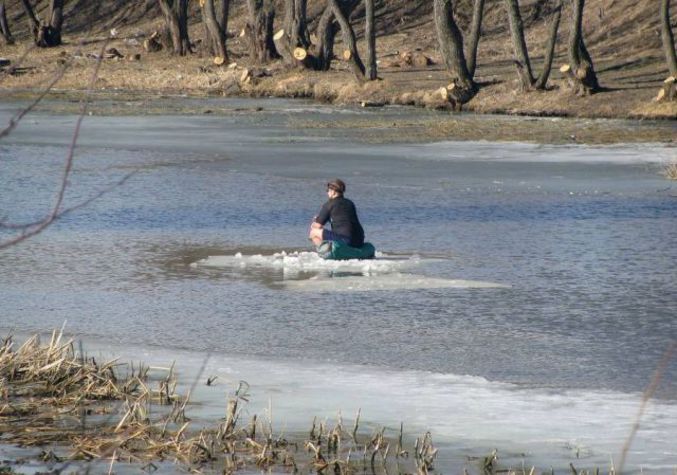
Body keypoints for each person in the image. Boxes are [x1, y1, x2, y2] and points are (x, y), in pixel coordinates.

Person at [309, 179, 365, 248]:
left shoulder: (329, 205)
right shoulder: (350, 203)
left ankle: (325, 251)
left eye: (328, 190)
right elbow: (342, 220)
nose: (327, 193)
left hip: (345, 240)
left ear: (333, 192)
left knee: (313, 232)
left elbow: (317, 226)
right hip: (359, 240)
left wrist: (314, 222)